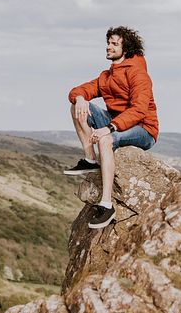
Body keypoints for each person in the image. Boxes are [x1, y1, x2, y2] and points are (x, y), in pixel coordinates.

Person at [64, 26, 159, 229]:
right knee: (77, 107)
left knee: (106, 139)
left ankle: (106, 204)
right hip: (116, 122)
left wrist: (110, 127)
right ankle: (90, 159)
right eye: (108, 43)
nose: (108, 47)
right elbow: (77, 90)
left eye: (114, 44)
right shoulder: (107, 76)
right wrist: (80, 98)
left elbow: (139, 109)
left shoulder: (138, 74)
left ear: (126, 48)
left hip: (143, 128)